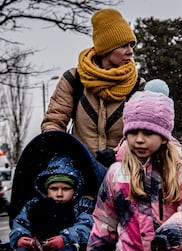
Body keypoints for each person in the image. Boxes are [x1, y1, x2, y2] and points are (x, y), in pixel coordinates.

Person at [86, 91, 182, 251]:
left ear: (163, 137)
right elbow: (105, 217)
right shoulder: (116, 174)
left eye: (147, 132)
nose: (139, 139)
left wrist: (175, 230)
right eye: (133, 132)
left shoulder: (178, 172)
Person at [41, 8, 145, 164]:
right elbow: (54, 123)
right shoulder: (74, 79)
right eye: (124, 46)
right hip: (81, 172)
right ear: (106, 49)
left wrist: (119, 154)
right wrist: (63, 154)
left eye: (132, 45)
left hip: (123, 175)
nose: (130, 52)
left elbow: (144, 133)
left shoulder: (136, 85)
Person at [0, 155, 95, 251]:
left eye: (66, 189)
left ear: (75, 189)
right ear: (46, 189)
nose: (59, 194)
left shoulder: (82, 205)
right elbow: (20, 223)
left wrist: (65, 239)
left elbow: (87, 225)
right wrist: (20, 238)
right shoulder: (33, 205)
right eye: (54, 188)